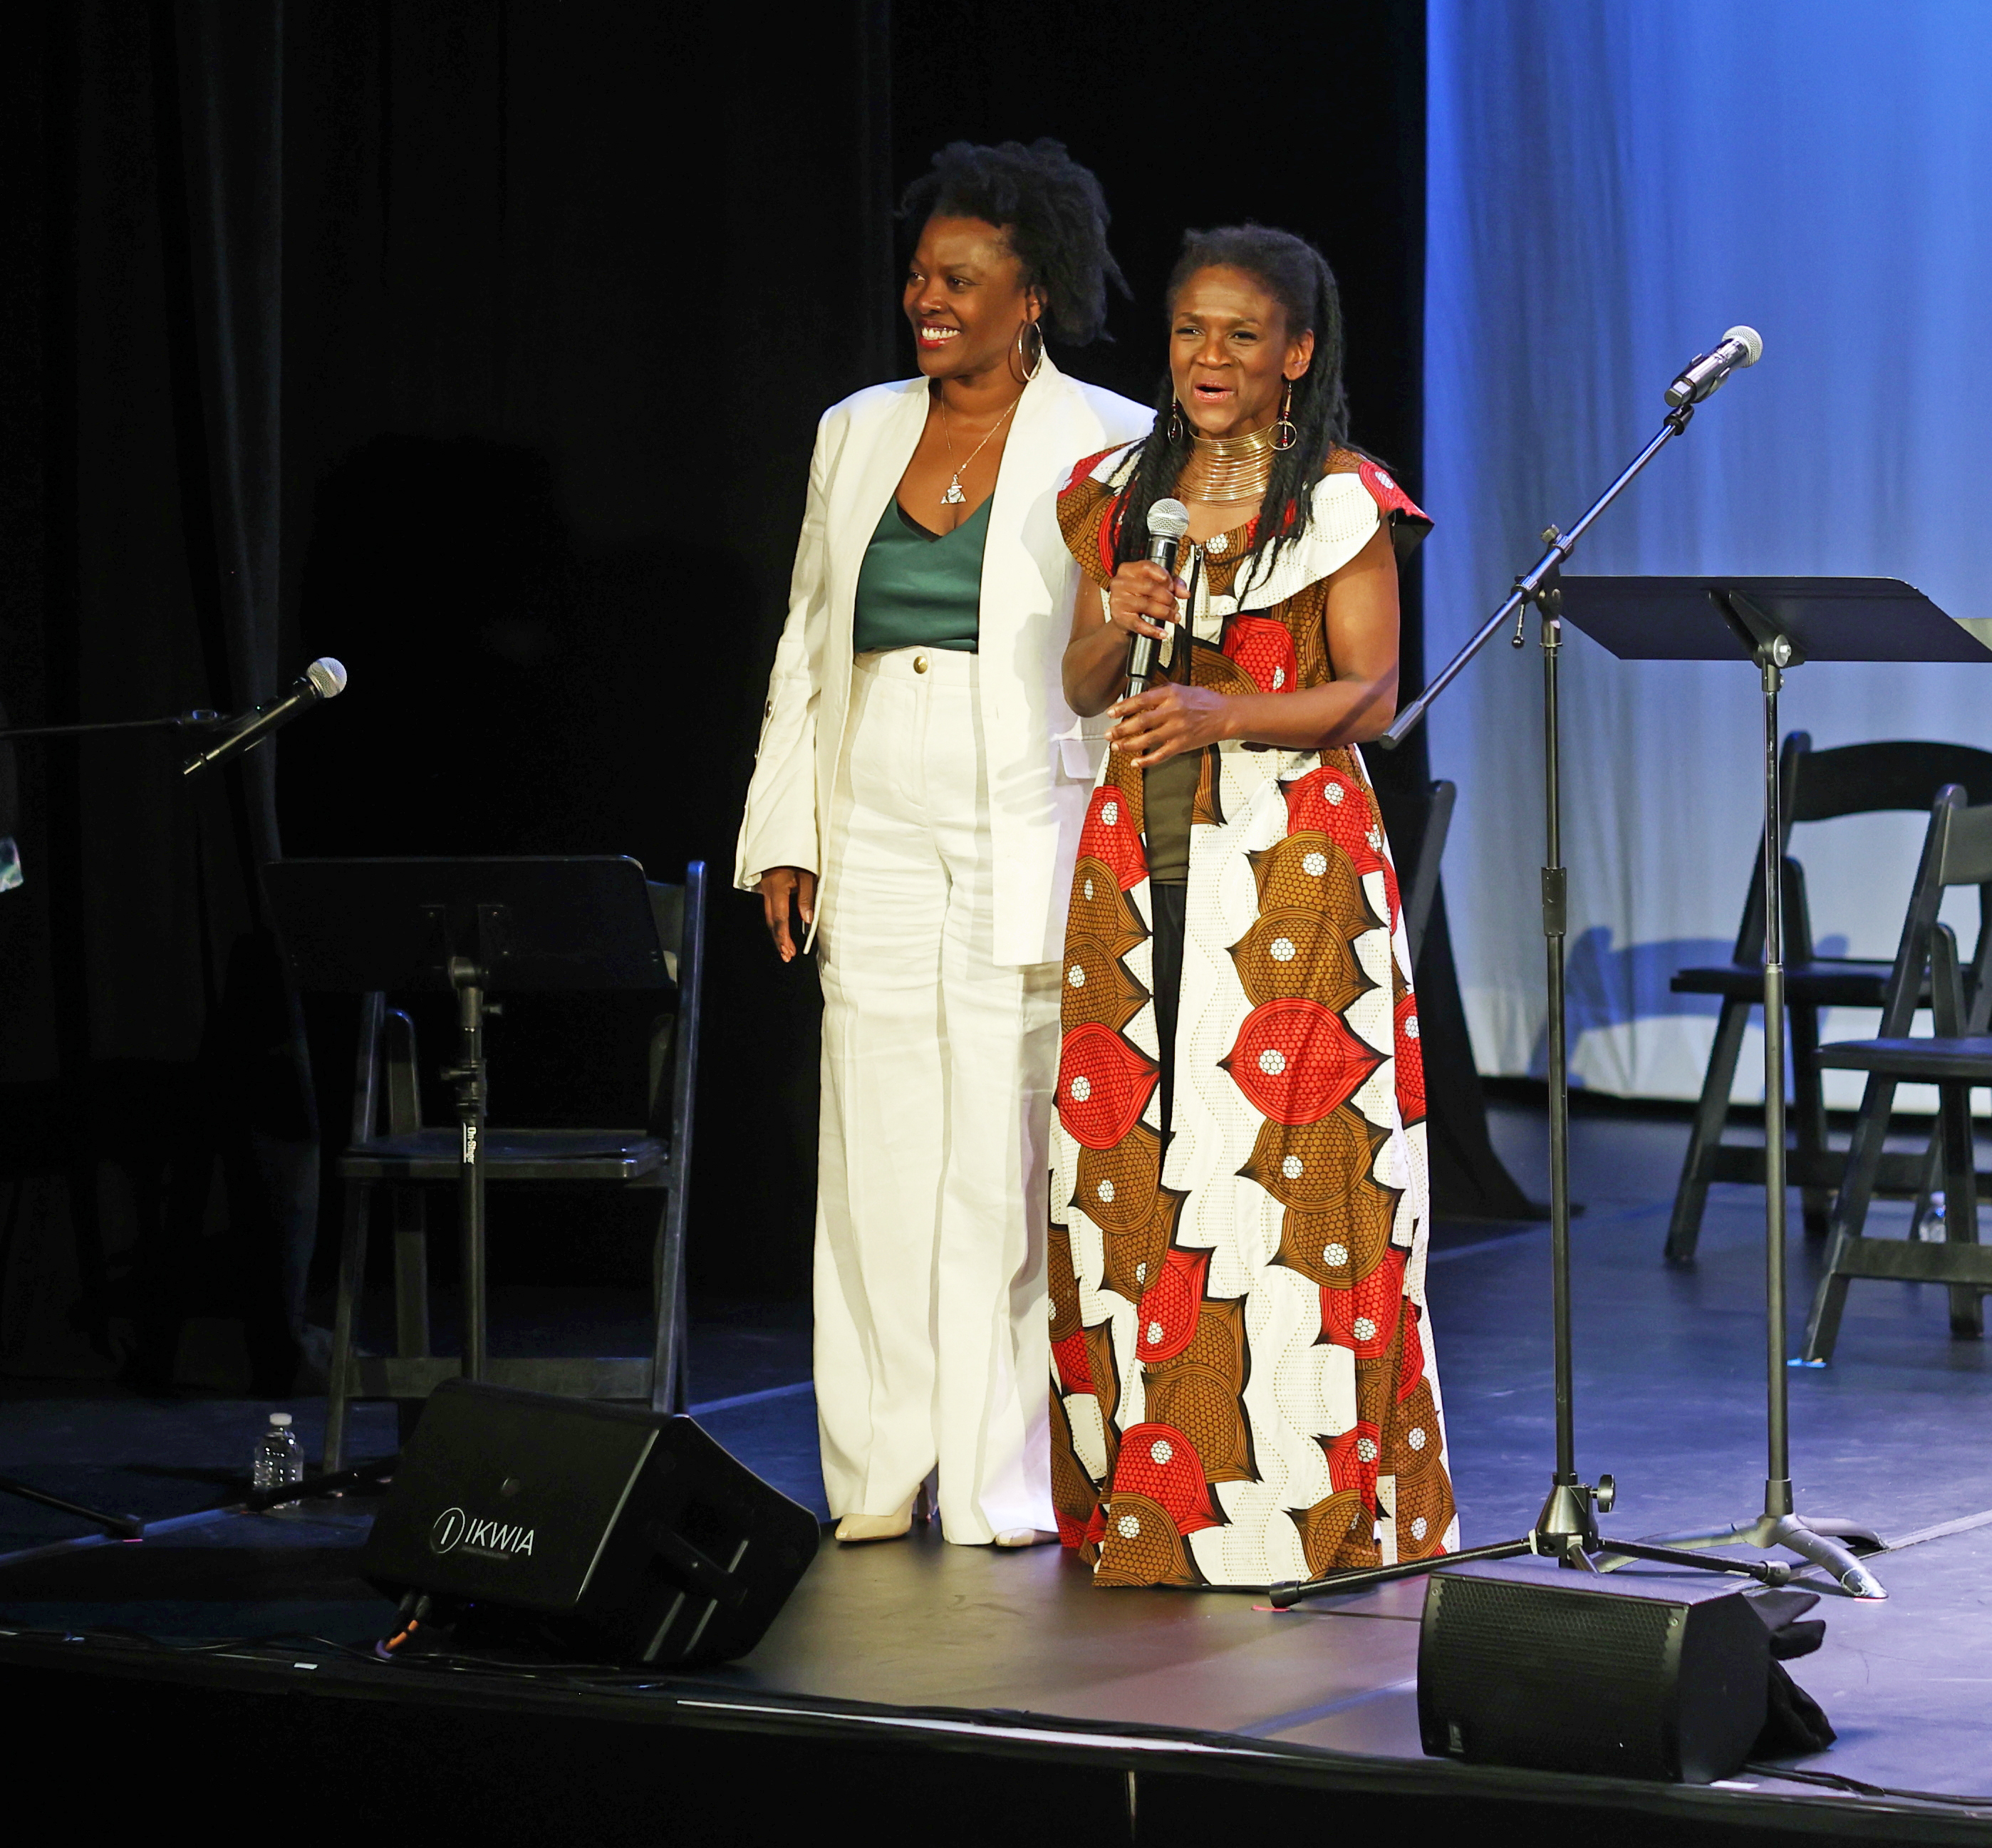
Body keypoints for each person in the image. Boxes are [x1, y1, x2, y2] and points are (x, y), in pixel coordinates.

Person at [735, 141, 1151, 1547]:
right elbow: (808, 636)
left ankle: (993, 1481)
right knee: (874, 1141)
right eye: (920, 275)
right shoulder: (856, 429)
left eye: (962, 281)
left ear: (1032, 295)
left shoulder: (1109, 438)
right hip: (873, 808)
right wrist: (785, 828)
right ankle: (874, 1468)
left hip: (1024, 808)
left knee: (1001, 1151)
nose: (929, 299)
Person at [1047, 225, 1457, 1587]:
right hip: (1136, 860)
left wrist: (1226, 712)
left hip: (1295, 862)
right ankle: (1160, 1500)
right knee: (1134, 1158)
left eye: (1240, 334)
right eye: (1188, 331)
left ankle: (1308, 1503)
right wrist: (1120, 613)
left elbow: (1374, 695)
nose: (1208, 357)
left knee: (1291, 1170)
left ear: (1296, 352)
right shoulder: (1116, 492)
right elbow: (1082, 682)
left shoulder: (1341, 498)